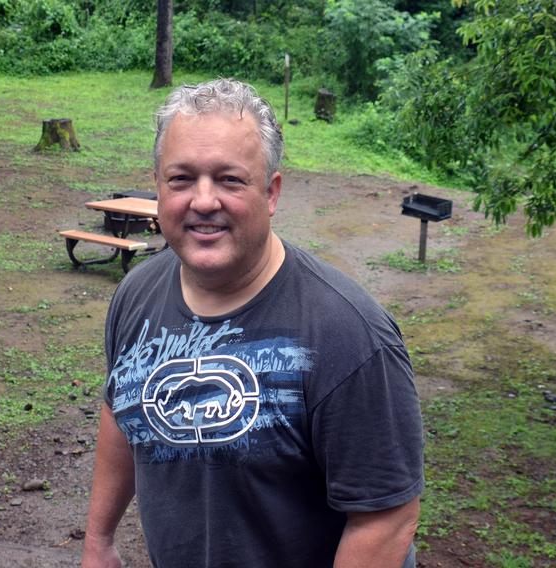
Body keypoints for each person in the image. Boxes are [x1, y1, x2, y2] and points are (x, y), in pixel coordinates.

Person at [81, 78, 425, 568]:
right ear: (158, 187)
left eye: (229, 179)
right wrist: (98, 541)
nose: (203, 201)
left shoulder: (348, 334)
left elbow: (385, 518)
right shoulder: (137, 295)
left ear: (271, 192)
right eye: (181, 179)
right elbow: (122, 411)